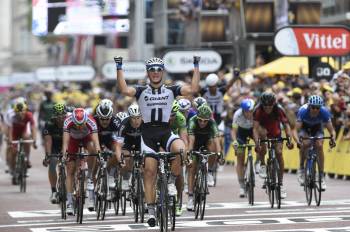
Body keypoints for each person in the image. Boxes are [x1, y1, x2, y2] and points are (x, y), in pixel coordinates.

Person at [114, 55, 200, 227]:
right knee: (150, 171)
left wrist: (196, 66)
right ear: (148, 73)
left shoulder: (171, 89)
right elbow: (124, 90)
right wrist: (119, 67)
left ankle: (170, 182)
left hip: (165, 131)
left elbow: (193, 89)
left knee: (181, 150)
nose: (155, 73)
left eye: (158, 69)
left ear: (163, 72)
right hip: (147, 134)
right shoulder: (140, 90)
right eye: (152, 70)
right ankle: (151, 210)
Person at [253, 92, 293, 199]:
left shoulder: (279, 109)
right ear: (262, 105)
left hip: (275, 132)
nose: (267, 109)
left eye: (270, 106)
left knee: (279, 153)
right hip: (264, 131)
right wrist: (257, 143)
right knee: (263, 139)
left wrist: (289, 139)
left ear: (273, 104)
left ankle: (280, 184)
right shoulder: (258, 110)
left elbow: (287, 125)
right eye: (265, 106)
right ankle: (262, 164)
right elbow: (255, 129)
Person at [61, 108, 101, 214]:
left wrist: (99, 154)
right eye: (76, 125)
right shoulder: (67, 121)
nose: (79, 127)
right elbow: (65, 142)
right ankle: (69, 202)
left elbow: (96, 141)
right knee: (70, 170)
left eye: (81, 124)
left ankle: (90, 176)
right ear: (72, 120)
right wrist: (64, 154)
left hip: (86, 138)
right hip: (73, 140)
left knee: (93, 149)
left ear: (85, 120)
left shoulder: (91, 120)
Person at [292, 95, 336, 190]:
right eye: (313, 107)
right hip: (304, 128)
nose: (315, 110)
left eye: (317, 108)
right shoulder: (303, 111)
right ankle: (301, 169)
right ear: (309, 106)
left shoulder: (324, 112)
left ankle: (321, 176)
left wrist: (333, 139)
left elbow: (332, 131)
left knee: (319, 145)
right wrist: (298, 142)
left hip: (317, 128)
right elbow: (295, 130)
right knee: (306, 144)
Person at [187, 104, 222, 211]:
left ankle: (210, 170)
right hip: (195, 142)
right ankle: (190, 197)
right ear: (197, 117)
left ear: (209, 119)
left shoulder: (212, 122)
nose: (202, 123)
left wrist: (220, 154)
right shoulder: (192, 121)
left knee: (213, 148)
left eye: (205, 121)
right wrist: (190, 153)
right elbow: (191, 141)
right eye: (200, 120)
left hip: (207, 142)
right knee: (192, 168)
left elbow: (217, 140)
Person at [93, 99, 121, 192]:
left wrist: (118, 154)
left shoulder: (115, 121)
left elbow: (119, 140)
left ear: (111, 117)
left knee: (117, 154)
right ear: (98, 117)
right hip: (97, 140)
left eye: (107, 119)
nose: (105, 122)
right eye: (102, 119)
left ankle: (110, 174)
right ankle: (92, 179)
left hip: (110, 140)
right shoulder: (93, 121)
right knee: (95, 158)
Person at [114, 103, 143, 192]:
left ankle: (142, 181)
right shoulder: (124, 124)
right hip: (128, 142)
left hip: (141, 142)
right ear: (129, 117)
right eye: (133, 118)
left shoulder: (145, 123)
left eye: (138, 117)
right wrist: (120, 160)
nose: (136, 121)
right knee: (126, 157)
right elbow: (118, 146)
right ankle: (126, 179)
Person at [7, 102, 37, 184]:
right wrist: (10, 141)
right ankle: (13, 171)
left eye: (23, 112)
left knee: (27, 138)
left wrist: (34, 140)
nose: (21, 115)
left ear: (25, 111)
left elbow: (33, 127)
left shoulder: (29, 115)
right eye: (18, 113)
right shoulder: (11, 116)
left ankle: (27, 158)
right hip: (14, 133)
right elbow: (10, 129)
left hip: (23, 131)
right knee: (13, 151)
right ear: (15, 112)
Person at [42, 103, 67, 204]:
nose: (61, 119)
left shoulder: (69, 123)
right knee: (53, 163)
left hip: (67, 145)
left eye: (63, 116)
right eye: (58, 116)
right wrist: (48, 156)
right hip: (55, 146)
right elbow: (48, 142)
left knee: (72, 163)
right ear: (54, 117)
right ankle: (53, 191)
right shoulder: (49, 124)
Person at [231, 98, 255, 198]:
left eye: (251, 111)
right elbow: (233, 131)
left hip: (253, 131)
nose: (249, 113)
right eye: (246, 111)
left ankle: (258, 163)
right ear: (243, 110)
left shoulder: (256, 113)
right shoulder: (237, 114)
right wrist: (235, 141)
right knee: (240, 158)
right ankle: (241, 185)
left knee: (261, 143)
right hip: (241, 133)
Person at [169, 100, 188, 216]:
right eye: (169, 115)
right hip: (162, 142)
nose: (171, 118)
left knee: (179, 174)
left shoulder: (180, 118)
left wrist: (185, 154)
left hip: (175, 142)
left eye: (173, 115)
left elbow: (184, 138)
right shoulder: (159, 116)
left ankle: (178, 202)